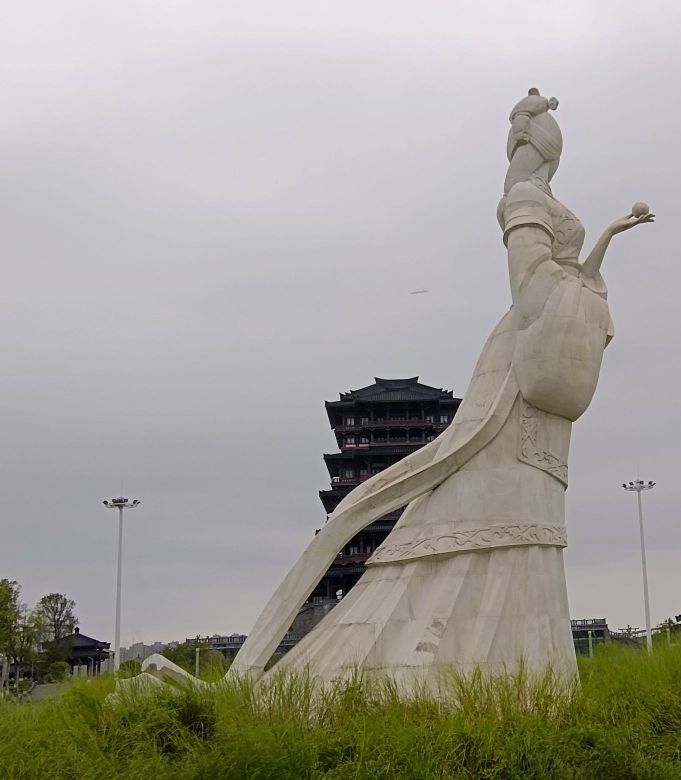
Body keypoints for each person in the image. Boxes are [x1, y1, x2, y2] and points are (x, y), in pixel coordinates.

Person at [141, 89, 654, 696]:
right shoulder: (520, 201)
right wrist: (585, 280)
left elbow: (551, 287)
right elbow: (533, 291)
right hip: (519, 369)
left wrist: (604, 247)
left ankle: (528, 678)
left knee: (525, 509)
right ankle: (426, 676)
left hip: (535, 379)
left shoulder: (536, 199)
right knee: (473, 501)